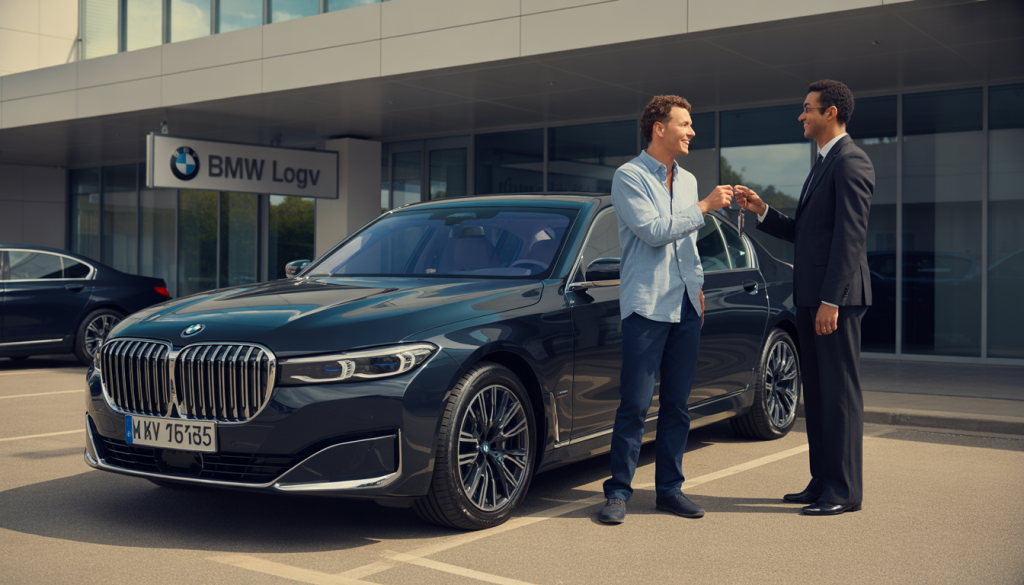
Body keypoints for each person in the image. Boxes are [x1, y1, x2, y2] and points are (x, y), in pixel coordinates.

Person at [735, 79, 874, 516]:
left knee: (839, 394)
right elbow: (807, 234)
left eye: (807, 108)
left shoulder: (851, 162)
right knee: (815, 393)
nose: (802, 115)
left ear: (830, 113)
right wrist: (762, 211)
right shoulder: (822, 163)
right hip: (815, 298)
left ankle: (845, 490)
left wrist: (832, 300)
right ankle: (823, 480)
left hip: (836, 300)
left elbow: (850, 239)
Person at [598, 95, 734, 524]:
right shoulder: (629, 176)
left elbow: (689, 248)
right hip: (646, 306)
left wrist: (699, 290)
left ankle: (669, 491)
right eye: (685, 124)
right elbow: (654, 233)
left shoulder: (690, 181)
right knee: (635, 404)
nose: (692, 131)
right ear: (659, 127)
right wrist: (706, 208)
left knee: (677, 405)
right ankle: (618, 492)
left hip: (686, 305)